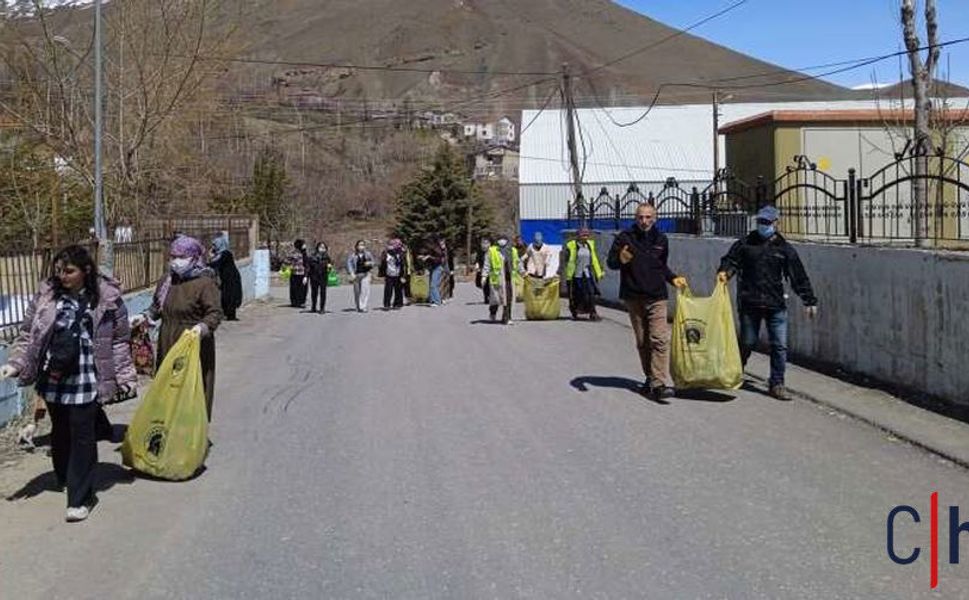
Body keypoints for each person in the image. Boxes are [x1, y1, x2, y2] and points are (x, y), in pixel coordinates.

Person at [0, 245, 137, 522]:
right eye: (58, 270)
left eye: (69, 271)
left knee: (83, 435)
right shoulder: (47, 295)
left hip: (87, 377)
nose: (62, 275)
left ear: (86, 270)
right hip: (55, 376)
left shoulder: (108, 298)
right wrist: (16, 364)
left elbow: (120, 341)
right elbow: (29, 335)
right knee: (60, 431)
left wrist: (124, 377)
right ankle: (64, 476)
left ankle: (81, 497)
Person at [717, 205, 818, 401]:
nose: (763, 225)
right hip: (750, 303)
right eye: (760, 222)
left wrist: (809, 300)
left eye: (767, 222)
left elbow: (798, 277)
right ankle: (735, 372)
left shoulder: (785, 249)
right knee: (747, 342)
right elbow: (730, 261)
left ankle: (777, 384)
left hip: (775, 304)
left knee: (779, 346)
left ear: (775, 223)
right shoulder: (745, 244)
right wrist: (725, 272)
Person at [607, 203, 688, 400]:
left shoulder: (661, 239)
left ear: (655, 218)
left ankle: (659, 383)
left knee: (659, 339)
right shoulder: (625, 238)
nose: (644, 221)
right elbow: (611, 263)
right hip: (633, 296)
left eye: (648, 217)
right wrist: (620, 259)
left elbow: (661, 266)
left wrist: (673, 278)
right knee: (643, 342)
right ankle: (650, 377)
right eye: (641, 217)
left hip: (657, 296)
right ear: (636, 218)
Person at [143, 236, 223, 420]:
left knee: (192, 389)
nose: (176, 261)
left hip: (194, 344)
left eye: (181, 256)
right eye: (173, 256)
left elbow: (215, 313)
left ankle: (189, 434)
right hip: (168, 340)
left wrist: (201, 328)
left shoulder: (205, 283)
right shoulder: (167, 281)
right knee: (168, 388)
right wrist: (145, 317)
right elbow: (157, 307)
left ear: (194, 258)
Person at [481, 235, 523, 324]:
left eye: (503, 239)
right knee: (495, 300)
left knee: (508, 299)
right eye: (500, 239)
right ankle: (493, 312)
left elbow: (518, 263)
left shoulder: (513, 251)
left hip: (509, 279)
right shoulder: (492, 251)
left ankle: (507, 318)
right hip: (498, 280)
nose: (502, 241)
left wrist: (523, 272)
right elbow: (487, 264)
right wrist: (484, 276)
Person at [563, 228, 603, 321]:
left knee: (591, 293)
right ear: (578, 236)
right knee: (575, 294)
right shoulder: (571, 245)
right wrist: (565, 273)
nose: (586, 236)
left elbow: (594, 259)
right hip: (575, 274)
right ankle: (575, 312)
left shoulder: (590, 245)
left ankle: (593, 312)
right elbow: (566, 260)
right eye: (583, 234)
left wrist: (599, 272)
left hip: (586, 273)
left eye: (587, 234)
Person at [209, 232, 242, 321]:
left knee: (230, 296)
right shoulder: (221, 254)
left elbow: (215, 264)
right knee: (226, 295)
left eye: (215, 245)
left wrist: (210, 258)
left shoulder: (225, 254)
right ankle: (228, 314)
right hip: (226, 278)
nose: (214, 247)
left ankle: (231, 315)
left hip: (231, 278)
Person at [347, 239, 375, 312]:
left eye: (363, 245)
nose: (361, 246)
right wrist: (351, 273)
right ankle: (358, 306)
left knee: (365, 291)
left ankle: (363, 306)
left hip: (366, 274)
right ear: (356, 246)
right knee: (357, 291)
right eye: (360, 245)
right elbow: (349, 264)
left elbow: (373, 262)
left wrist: (370, 263)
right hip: (356, 275)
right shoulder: (353, 255)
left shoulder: (368, 254)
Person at [380, 239, 407, 310]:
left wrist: (404, 276)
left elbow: (404, 265)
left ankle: (397, 304)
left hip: (398, 274)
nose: (393, 246)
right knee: (388, 290)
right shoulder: (386, 253)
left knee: (398, 290)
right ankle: (387, 304)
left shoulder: (401, 253)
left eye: (397, 244)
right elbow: (382, 263)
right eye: (391, 245)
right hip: (389, 274)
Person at [306, 241, 332, 314]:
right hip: (314, 276)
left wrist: (329, 267)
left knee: (323, 293)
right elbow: (308, 267)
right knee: (314, 292)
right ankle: (313, 306)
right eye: (321, 247)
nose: (322, 249)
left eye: (324, 247)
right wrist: (306, 276)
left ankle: (322, 308)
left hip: (323, 276)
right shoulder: (312, 256)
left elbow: (330, 266)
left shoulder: (327, 257)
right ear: (317, 248)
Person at [421, 236, 446, 307]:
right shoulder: (432, 249)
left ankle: (437, 301)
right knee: (432, 285)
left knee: (433, 285)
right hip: (433, 268)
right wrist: (424, 257)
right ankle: (433, 300)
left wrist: (428, 257)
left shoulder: (437, 249)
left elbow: (438, 260)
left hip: (438, 268)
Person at [287, 239, 309, 308]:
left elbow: (307, 264)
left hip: (303, 273)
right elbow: (287, 260)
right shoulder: (294, 253)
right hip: (294, 273)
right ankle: (295, 302)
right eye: (303, 244)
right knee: (294, 289)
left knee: (303, 289)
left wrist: (306, 275)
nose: (305, 246)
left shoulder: (304, 253)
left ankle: (301, 302)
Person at [474, 238, 492, 304]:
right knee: (484, 284)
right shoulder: (480, 251)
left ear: (489, 244)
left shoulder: (492, 251)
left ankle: (490, 296)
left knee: (490, 284)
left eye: (486, 243)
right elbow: (477, 259)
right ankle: (486, 297)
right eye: (483, 243)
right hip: (482, 269)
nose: (484, 245)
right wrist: (477, 264)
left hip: (491, 269)